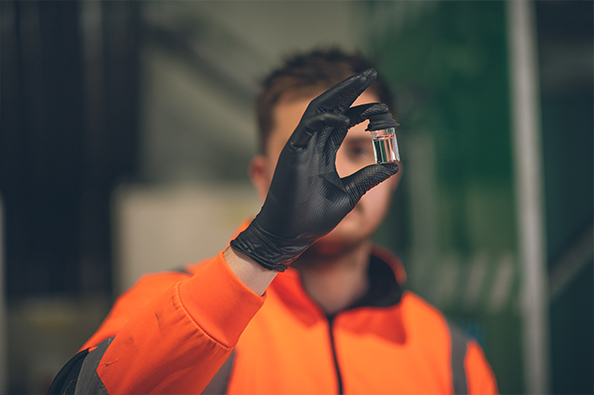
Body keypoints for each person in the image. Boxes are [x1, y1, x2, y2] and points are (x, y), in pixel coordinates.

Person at [49, 48, 498, 395]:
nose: (336, 176)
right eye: (306, 155)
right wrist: (261, 252)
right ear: (264, 177)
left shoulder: (449, 353)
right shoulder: (170, 302)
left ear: (392, 172)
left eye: (359, 150)